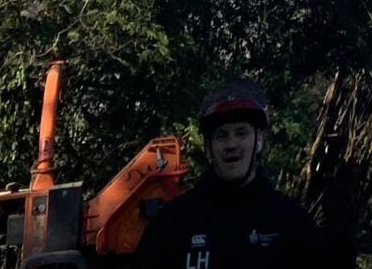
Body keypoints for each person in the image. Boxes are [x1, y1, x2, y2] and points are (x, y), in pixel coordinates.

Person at [135, 80, 332, 269]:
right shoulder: (172, 224)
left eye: (241, 133)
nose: (231, 145)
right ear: (208, 147)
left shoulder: (291, 222)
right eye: (221, 135)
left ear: (260, 140)